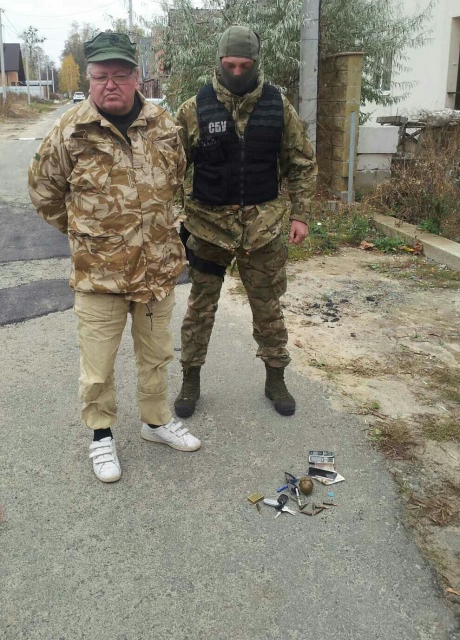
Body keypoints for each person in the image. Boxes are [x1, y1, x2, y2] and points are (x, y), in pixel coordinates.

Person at [28, 31, 201, 484]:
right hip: (98, 276)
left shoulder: (163, 124)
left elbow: (176, 178)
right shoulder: (70, 130)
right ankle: (101, 435)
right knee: (98, 366)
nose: (110, 84)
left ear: (136, 77)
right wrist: (87, 235)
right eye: (101, 75)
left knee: (156, 355)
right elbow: (44, 192)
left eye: (120, 75)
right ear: (89, 78)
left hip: (156, 272)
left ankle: (155, 422)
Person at [175, 25, 317, 419]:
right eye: (230, 65)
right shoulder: (193, 109)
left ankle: (276, 378)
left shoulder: (278, 106)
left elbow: (301, 163)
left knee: (268, 308)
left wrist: (301, 214)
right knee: (199, 309)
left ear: (256, 63)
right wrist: (169, 217)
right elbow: (169, 169)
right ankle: (190, 379)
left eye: (245, 65)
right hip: (207, 230)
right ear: (219, 62)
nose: (237, 72)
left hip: (263, 229)